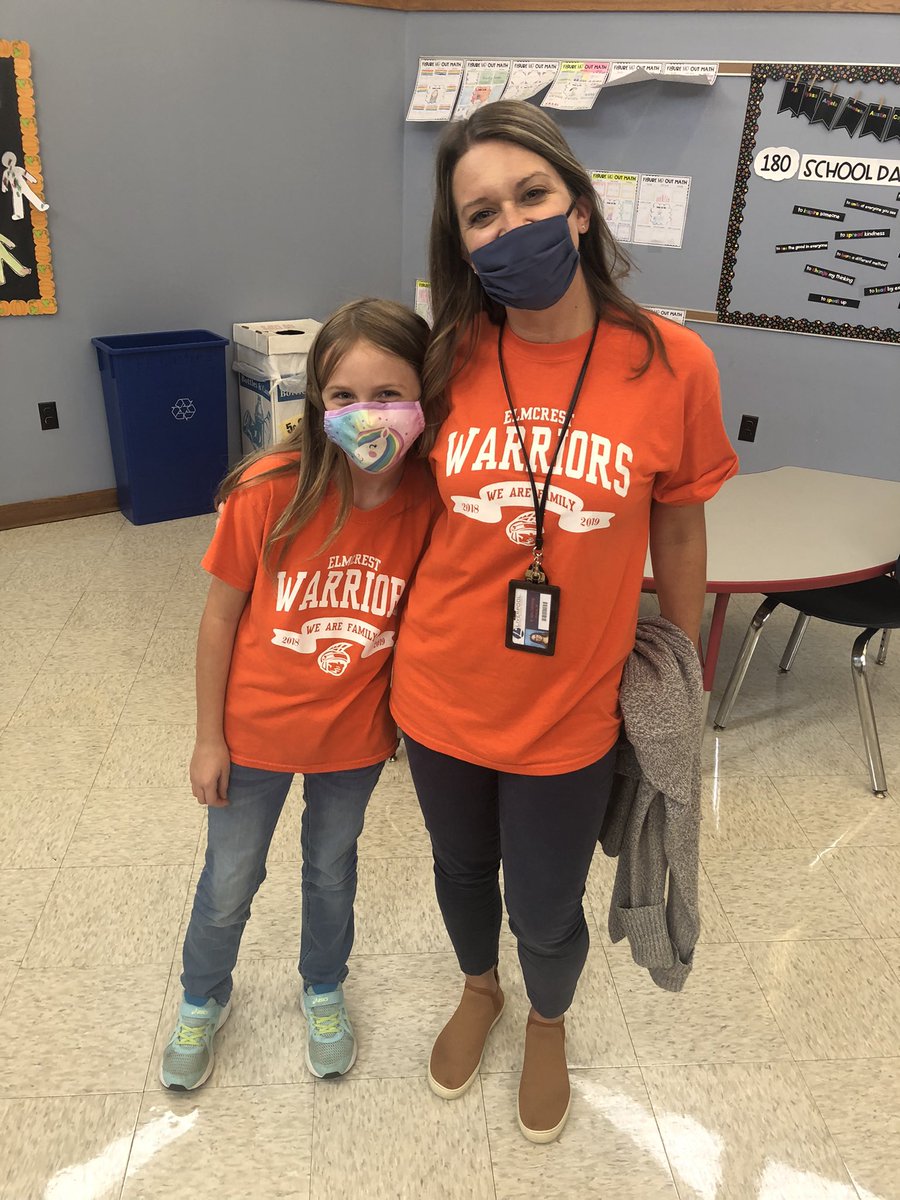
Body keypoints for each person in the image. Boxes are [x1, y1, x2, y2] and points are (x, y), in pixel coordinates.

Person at [390, 100, 739, 1143]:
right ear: (461, 243)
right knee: (460, 874)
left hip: (570, 709)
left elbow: (678, 534)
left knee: (547, 901)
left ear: (580, 208)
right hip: (440, 690)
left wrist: (677, 667)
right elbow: (395, 507)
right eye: (480, 214)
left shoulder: (674, 364)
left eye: (531, 196)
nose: (512, 226)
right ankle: (478, 986)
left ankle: (548, 1016)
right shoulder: (446, 360)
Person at [160, 298, 438, 1090]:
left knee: (331, 868)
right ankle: (201, 997)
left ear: (424, 399)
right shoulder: (267, 490)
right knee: (229, 882)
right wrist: (208, 737)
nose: (367, 415)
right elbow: (219, 620)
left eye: (389, 394)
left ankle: (322, 986)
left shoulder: (428, 501)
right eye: (345, 397)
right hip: (252, 737)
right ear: (318, 403)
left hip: (353, 739)